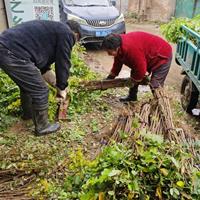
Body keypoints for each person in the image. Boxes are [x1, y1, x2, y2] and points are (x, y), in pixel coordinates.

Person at [0, 20, 81, 136]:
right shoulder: (66, 33)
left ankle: (28, 115)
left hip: (7, 48)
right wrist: (62, 87)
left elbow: (43, 68)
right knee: (40, 90)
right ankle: (42, 126)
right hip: (12, 52)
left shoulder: (52, 32)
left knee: (28, 85)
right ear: (76, 34)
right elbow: (63, 62)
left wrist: (56, 84)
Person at [102, 32, 172, 102]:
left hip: (162, 55)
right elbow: (117, 64)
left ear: (117, 48)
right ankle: (132, 97)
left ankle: (160, 104)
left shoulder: (130, 48)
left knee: (155, 84)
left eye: (110, 52)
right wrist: (109, 78)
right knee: (135, 74)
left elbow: (141, 69)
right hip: (150, 53)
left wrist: (133, 81)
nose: (108, 54)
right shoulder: (119, 45)